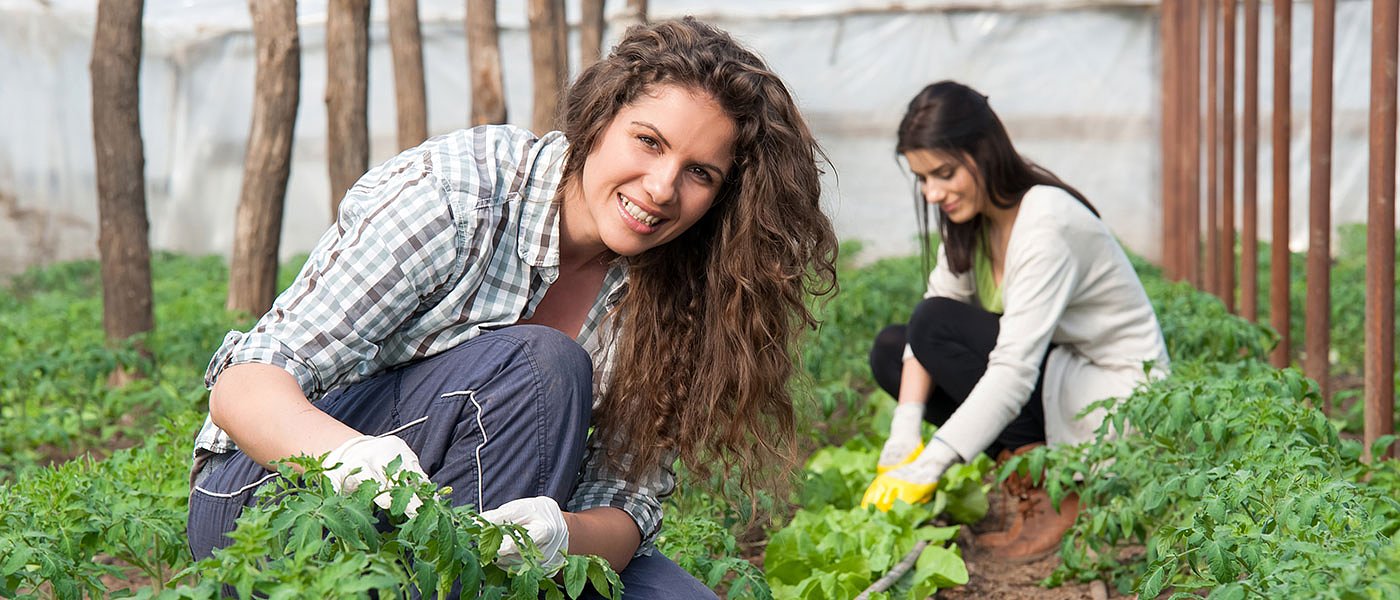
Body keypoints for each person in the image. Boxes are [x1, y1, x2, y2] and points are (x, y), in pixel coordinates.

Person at [186, 17, 837, 598]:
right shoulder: (458, 192)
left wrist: (559, 534)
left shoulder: (678, 294)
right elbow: (246, 385)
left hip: (478, 533)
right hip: (277, 503)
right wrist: (352, 459)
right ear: (599, 119)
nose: (662, 188)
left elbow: (627, 506)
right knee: (540, 365)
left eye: (701, 173)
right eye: (649, 141)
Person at [860, 81, 1169, 562]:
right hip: (1056, 377)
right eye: (922, 179)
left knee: (934, 326)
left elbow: (1012, 369)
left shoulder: (1046, 223)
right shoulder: (974, 220)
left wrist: (936, 459)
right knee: (893, 350)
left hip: (1111, 397)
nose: (933, 192)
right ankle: (1030, 481)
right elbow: (931, 315)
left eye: (943, 173)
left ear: (984, 152)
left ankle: (1056, 495)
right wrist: (905, 429)